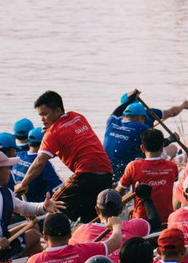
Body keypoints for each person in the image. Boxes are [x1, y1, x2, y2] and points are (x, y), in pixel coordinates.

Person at [14, 90, 114, 224]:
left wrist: (24, 184)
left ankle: (51, 239)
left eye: (45, 114)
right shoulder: (77, 117)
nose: (42, 119)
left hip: (85, 175)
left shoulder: (53, 133)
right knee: (91, 214)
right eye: (40, 115)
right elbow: (72, 140)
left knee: (53, 205)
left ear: (57, 110)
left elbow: (40, 162)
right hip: (107, 174)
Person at [103, 91, 188, 176]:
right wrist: (171, 139)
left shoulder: (111, 122)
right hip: (128, 170)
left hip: (106, 169)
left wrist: (129, 100)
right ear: (139, 117)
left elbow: (116, 112)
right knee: (173, 148)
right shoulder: (141, 127)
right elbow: (157, 145)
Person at [118, 128, 180, 228]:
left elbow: (118, 193)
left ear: (142, 148)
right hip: (166, 221)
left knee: (128, 210)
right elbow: (175, 179)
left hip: (141, 222)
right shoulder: (172, 166)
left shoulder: (134, 166)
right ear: (162, 148)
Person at [14, 127, 63, 203]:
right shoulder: (44, 164)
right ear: (46, 143)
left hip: (18, 200)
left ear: (29, 142)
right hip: (35, 205)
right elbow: (59, 187)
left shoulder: (19, 155)